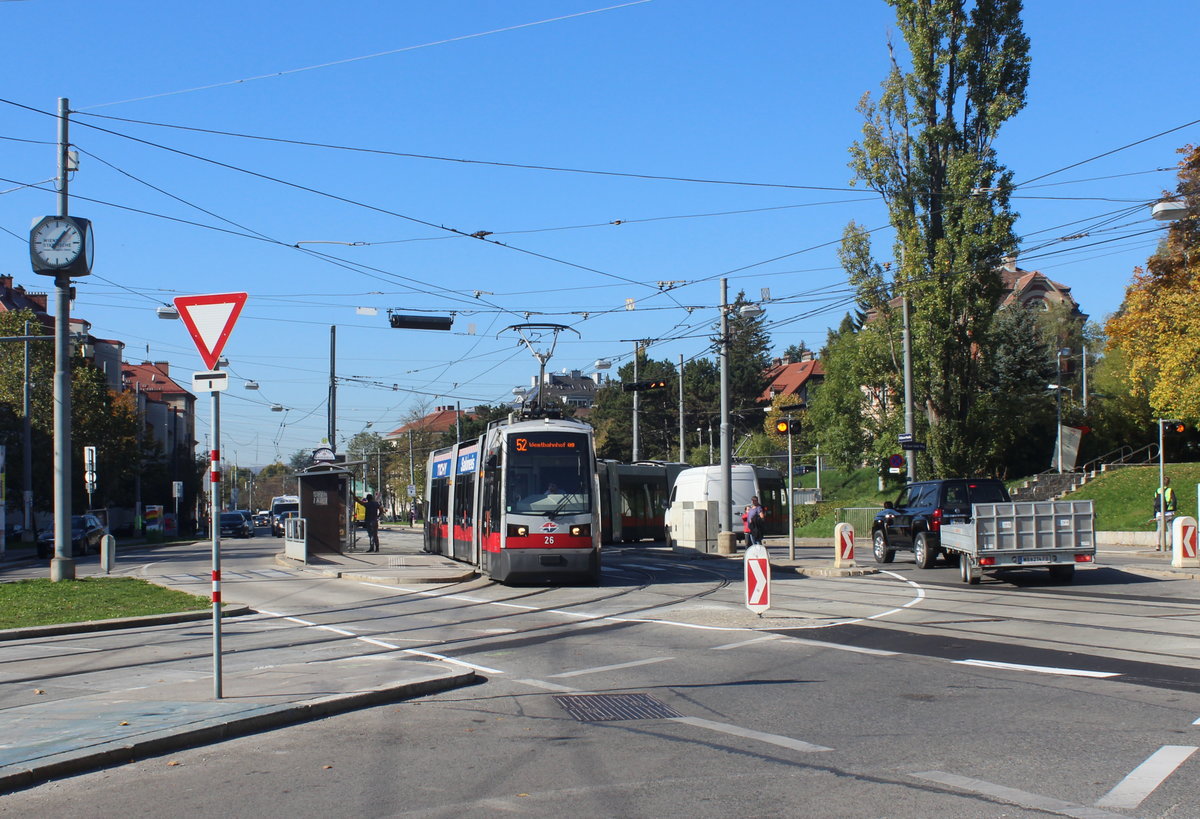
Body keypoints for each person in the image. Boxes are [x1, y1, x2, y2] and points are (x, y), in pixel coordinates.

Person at [1154, 477, 1177, 550]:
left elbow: (1155, 502)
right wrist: (1173, 509)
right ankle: (1170, 545)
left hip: (1159, 512)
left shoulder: (1158, 490)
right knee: (1170, 528)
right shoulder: (1170, 490)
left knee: (1159, 528)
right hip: (1168, 512)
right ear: (1168, 482)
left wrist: (1155, 513)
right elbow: (1174, 501)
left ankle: (1158, 544)